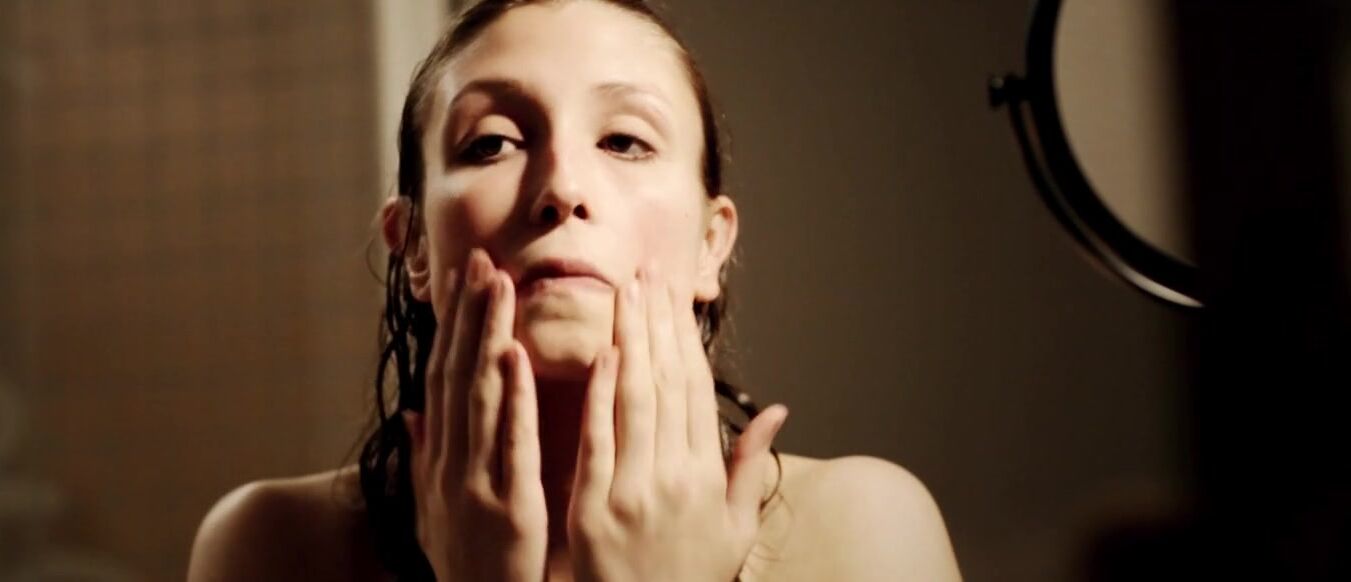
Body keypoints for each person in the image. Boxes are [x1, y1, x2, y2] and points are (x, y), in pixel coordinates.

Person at [187, 1, 961, 580]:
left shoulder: (865, 533)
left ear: (709, 243)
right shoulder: (270, 547)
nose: (562, 188)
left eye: (624, 140)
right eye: (492, 143)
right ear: (414, 244)